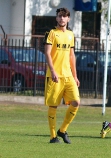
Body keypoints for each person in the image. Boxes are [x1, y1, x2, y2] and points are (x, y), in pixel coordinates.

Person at [43, 7, 80, 144]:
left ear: (68, 19)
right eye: (59, 16)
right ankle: (53, 137)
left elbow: (71, 56)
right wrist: (52, 71)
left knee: (76, 102)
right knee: (53, 106)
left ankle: (62, 130)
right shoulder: (51, 33)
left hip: (68, 76)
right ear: (56, 18)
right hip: (55, 75)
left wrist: (75, 76)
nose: (62, 18)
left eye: (64, 16)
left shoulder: (71, 34)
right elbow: (47, 53)